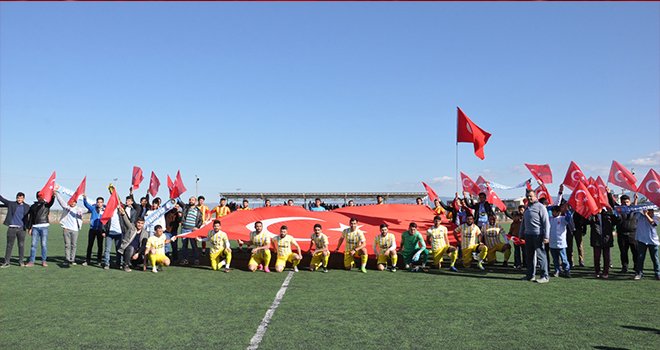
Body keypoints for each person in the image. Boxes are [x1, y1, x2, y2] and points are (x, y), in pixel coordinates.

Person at [520, 190, 551, 283]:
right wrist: (521, 233)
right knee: (529, 256)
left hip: (538, 235)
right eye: (528, 196)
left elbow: (546, 223)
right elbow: (523, 222)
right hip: (528, 235)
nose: (529, 198)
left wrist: (546, 236)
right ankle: (530, 276)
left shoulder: (541, 207)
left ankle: (545, 276)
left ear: (535, 196)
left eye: (531, 196)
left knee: (541, 256)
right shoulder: (527, 208)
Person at [609, 193, 638, 273]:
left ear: (630, 202)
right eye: (624, 202)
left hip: (633, 235)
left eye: (627, 202)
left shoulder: (633, 209)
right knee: (623, 252)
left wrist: (636, 199)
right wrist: (608, 193)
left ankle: (636, 267)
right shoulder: (619, 210)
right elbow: (612, 203)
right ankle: (624, 267)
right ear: (621, 203)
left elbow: (636, 206)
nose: (626, 204)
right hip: (622, 235)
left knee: (635, 252)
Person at [55, 190, 85, 266]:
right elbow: (61, 201)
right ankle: (67, 259)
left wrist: (86, 199)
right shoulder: (66, 208)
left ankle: (72, 259)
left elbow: (89, 209)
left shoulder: (79, 209)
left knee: (74, 245)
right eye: (72, 201)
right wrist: (57, 193)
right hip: (66, 229)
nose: (73, 203)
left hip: (75, 230)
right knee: (67, 245)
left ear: (76, 202)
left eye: (74, 202)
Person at [0, 192, 30, 268]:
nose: (19, 199)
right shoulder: (11, 204)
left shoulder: (27, 207)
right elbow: (2, 199)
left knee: (21, 245)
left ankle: (21, 262)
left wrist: (29, 227)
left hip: (21, 229)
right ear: (16, 198)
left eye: (21, 198)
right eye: (18, 198)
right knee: (9, 245)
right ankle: (7, 262)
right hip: (12, 228)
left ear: (23, 198)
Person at [25, 191, 55, 267]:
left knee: (44, 245)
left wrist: (53, 195)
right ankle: (31, 262)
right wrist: (29, 228)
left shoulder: (46, 204)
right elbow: (31, 218)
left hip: (44, 226)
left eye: (42, 196)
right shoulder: (33, 206)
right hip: (35, 227)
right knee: (33, 245)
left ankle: (44, 261)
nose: (41, 197)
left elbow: (51, 202)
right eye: (39, 196)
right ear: (37, 197)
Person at [117, 206, 149, 272]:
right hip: (127, 248)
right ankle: (125, 265)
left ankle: (134, 264)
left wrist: (138, 253)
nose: (140, 225)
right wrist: (123, 214)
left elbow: (143, 244)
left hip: (137, 251)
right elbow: (127, 221)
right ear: (136, 223)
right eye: (138, 223)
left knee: (145, 253)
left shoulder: (145, 233)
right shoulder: (132, 227)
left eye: (142, 223)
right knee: (131, 248)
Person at [589, 208, 618, 279]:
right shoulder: (593, 214)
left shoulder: (608, 214)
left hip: (606, 239)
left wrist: (612, 213)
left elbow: (617, 221)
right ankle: (597, 271)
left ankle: (606, 272)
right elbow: (586, 220)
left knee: (607, 257)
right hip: (596, 239)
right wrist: (593, 213)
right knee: (596, 257)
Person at [633, 208, 659, 280]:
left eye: (652, 210)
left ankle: (657, 273)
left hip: (653, 241)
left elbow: (653, 223)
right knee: (640, 257)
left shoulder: (656, 217)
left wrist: (646, 215)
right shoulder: (640, 216)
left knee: (655, 258)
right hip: (641, 240)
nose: (652, 212)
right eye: (649, 210)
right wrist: (635, 200)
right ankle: (639, 273)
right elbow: (634, 210)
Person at [177, 196, 203, 265]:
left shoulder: (198, 211)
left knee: (194, 245)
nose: (191, 201)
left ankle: (196, 259)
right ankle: (185, 259)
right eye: (190, 200)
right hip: (184, 229)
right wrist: (176, 196)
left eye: (192, 200)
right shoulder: (185, 207)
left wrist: (197, 227)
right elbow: (179, 202)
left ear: (195, 202)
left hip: (193, 231)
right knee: (184, 245)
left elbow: (200, 221)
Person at [82, 194, 105, 266]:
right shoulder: (93, 208)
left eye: (101, 202)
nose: (99, 203)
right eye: (98, 202)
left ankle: (99, 261)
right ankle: (87, 260)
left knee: (100, 246)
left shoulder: (105, 210)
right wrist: (85, 199)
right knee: (90, 245)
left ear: (103, 203)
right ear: (96, 202)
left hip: (101, 230)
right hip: (92, 229)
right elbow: (86, 205)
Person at [549, 205, 571, 278]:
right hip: (552, 242)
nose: (552, 213)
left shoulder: (562, 219)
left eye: (554, 212)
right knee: (555, 259)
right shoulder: (550, 219)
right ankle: (557, 270)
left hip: (561, 243)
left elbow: (568, 217)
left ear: (558, 212)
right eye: (552, 212)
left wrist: (567, 210)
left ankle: (567, 270)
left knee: (564, 259)